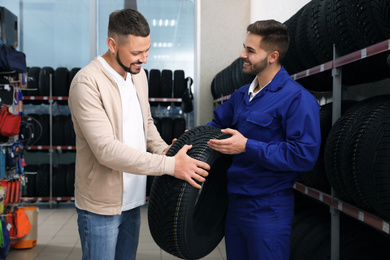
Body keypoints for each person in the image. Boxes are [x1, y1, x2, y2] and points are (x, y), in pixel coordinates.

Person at [68, 8, 210, 260]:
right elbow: (106, 150)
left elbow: (145, 122)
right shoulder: (87, 82)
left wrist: (164, 149)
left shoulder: (138, 75)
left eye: (147, 50)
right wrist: (169, 165)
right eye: (136, 52)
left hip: (133, 202)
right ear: (112, 44)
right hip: (101, 208)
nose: (144, 58)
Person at [207, 20, 321, 259]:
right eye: (244, 47)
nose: (242, 55)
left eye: (250, 50)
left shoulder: (297, 99)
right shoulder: (241, 96)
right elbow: (215, 126)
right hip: (235, 204)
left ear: (272, 56)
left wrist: (246, 146)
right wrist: (191, 140)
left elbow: (303, 155)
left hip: (268, 209)